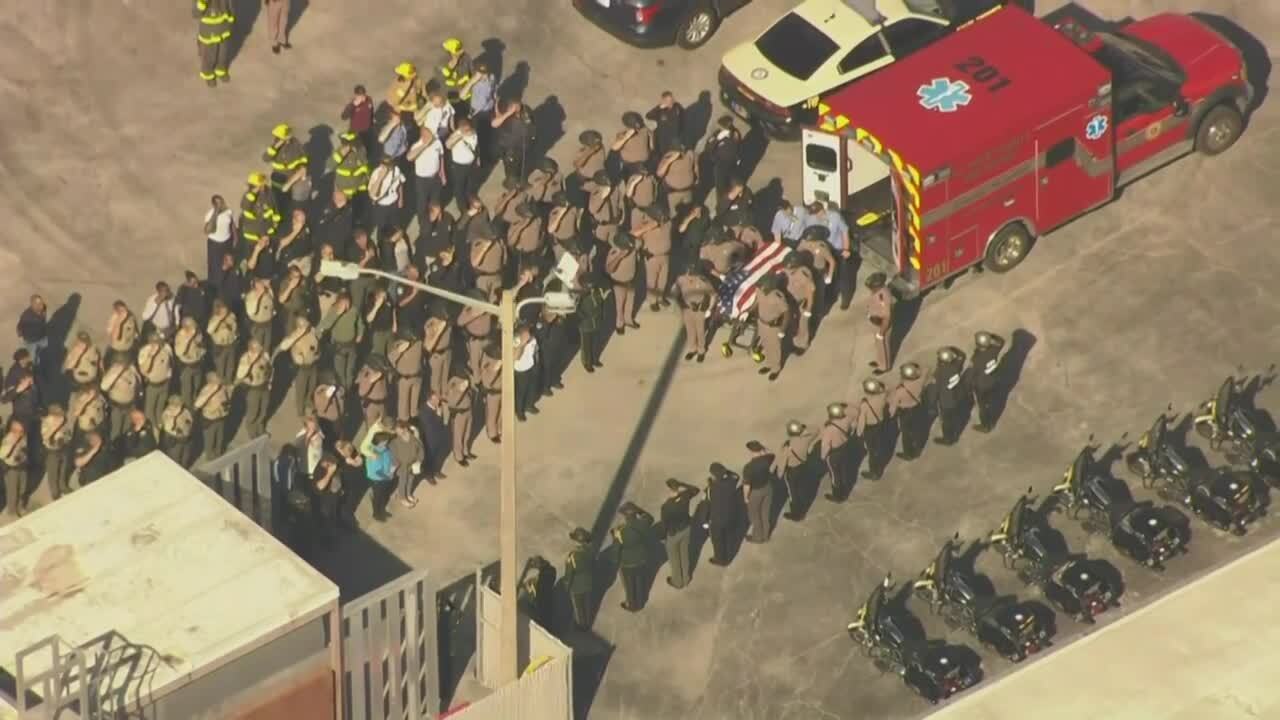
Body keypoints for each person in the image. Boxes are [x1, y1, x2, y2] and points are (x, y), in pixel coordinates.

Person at [807, 202, 855, 310]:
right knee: (826, 277)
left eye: (818, 212)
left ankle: (845, 299)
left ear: (823, 210)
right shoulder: (812, 220)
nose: (817, 215)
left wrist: (846, 249)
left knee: (843, 276)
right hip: (825, 251)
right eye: (814, 213)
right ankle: (828, 298)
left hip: (838, 250)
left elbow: (844, 231)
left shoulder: (835, 217)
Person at [318, 291, 364, 390]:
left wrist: (360, 334)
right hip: (339, 346)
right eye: (343, 303)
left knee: (350, 369)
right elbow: (324, 325)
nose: (346, 306)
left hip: (351, 344)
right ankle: (343, 389)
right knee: (340, 370)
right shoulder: (333, 311)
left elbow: (360, 323)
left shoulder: (354, 310)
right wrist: (337, 314)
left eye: (348, 303)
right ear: (339, 302)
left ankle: (349, 387)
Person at [673, 261, 715, 362]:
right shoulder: (681, 280)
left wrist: (709, 308)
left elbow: (713, 295)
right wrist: (680, 305)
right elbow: (675, 292)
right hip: (687, 308)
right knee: (690, 330)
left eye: (691, 273)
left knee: (700, 331)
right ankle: (692, 349)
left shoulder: (703, 281)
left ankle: (701, 351)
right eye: (688, 272)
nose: (689, 275)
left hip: (700, 309)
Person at [633, 205, 673, 311]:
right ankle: (652, 301)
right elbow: (633, 234)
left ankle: (660, 298)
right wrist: (649, 226)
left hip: (665, 256)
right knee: (652, 281)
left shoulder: (668, 223)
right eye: (661, 216)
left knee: (662, 280)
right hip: (652, 257)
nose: (663, 217)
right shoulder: (646, 225)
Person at [753, 274, 792, 382]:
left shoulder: (777, 296)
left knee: (774, 348)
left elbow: (786, 313)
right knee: (765, 345)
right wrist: (749, 311)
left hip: (773, 326)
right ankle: (769, 364)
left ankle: (775, 369)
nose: (760, 287)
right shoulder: (759, 290)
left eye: (762, 286)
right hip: (761, 323)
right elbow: (757, 301)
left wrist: (782, 330)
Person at [660, 479, 697, 589]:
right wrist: (682, 483)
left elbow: (664, 525)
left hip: (673, 534)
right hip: (686, 529)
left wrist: (663, 537)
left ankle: (677, 581)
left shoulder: (666, 506)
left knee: (674, 559)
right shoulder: (685, 496)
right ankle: (686, 578)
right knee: (684, 555)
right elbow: (695, 489)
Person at [773, 420, 813, 521]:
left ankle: (796, 514)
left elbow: (781, 465)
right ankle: (802, 508)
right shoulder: (806, 439)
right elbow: (816, 429)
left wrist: (779, 475)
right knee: (801, 488)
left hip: (792, 472)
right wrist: (803, 429)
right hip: (803, 467)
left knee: (793, 493)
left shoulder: (787, 447)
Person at [814, 402, 854, 501]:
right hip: (845, 449)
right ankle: (844, 490)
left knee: (835, 475)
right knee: (844, 470)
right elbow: (853, 418)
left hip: (834, 455)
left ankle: (838, 495)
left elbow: (825, 445)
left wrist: (823, 457)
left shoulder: (829, 429)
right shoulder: (847, 420)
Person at [613, 503, 650, 612]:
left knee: (630, 586)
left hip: (627, 563)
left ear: (625, 516)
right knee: (639, 581)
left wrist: (615, 537)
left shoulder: (621, 531)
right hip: (641, 558)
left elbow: (616, 548)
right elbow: (649, 517)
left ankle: (632, 605)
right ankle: (640, 601)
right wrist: (639, 510)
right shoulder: (643, 523)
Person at [889, 362, 927, 460]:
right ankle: (918, 448)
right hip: (917, 408)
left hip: (905, 412)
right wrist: (916, 368)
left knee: (906, 434)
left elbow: (893, 405)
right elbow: (926, 369)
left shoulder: (900, 391)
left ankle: (908, 453)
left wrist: (891, 415)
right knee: (916, 430)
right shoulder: (920, 381)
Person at [235, 340, 273, 438]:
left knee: (263, 409)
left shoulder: (264, 355)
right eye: (257, 348)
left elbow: (270, 368)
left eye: (260, 347)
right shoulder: (245, 359)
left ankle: (260, 428)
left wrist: (269, 382)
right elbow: (240, 375)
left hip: (264, 386)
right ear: (251, 349)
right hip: (253, 389)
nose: (260, 350)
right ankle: (252, 433)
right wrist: (251, 362)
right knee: (253, 412)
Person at [703, 462, 739, 566]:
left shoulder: (711, 489)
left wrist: (705, 520)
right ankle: (728, 554)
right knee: (728, 537)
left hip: (716, 520)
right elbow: (736, 476)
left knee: (717, 541)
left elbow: (707, 506)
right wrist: (725, 471)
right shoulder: (731, 482)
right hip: (730, 515)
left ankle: (720, 560)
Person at [408, 128, 446, 226]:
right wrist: (424, 145)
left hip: (435, 177)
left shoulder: (437, 142)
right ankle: (424, 225)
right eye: (428, 137)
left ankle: (437, 222)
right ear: (423, 137)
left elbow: (441, 157)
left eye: (431, 136)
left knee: (436, 201)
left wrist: (442, 173)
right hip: (422, 180)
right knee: (422, 203)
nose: (431, 138)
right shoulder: (416, 146)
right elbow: (409, 157)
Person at [782, 252, 818, 355]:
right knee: (793, 323)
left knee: (803, 324)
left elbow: (810, 292)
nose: (787, 270)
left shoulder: (804, 274)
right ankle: (794, 341)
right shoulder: (787, 270)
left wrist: (808, 309)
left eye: (790, 269)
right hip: (792, 301)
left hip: (802, 303)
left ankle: (803, 345)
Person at [491, 97, 534, 182]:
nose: (517, 109)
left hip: (523, 146)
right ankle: (510, 179)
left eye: (519, 107)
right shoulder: (506, 116)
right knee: (510, 166)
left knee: (520, 163)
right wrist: (509, 113)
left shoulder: (526, 112)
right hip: (509, 147)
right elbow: (494, 124)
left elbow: (531, 123)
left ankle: (518, 175)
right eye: (514, 108)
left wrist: (532, 136)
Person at [136, 330, 174, 428]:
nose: (160, 345)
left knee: (160, 407)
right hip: (152, 385)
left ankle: (159, 425)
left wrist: (168, 377)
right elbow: (144, 370)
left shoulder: (166, 348)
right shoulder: (144, 352)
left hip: (164, 384)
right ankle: (151, 429)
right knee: (150, 410)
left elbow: (170, 364)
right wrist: (151, 356)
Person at [971, 331, 1007, 432]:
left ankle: (986, 425)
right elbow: (1001, 341)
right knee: (990, 401)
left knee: (983, 407)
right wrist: (991, 336)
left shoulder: (977, 359)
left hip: (982, 386)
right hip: (993, 381)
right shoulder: (994, 350)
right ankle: (990, 418)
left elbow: (974, 374)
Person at [933, 346, 968, 446]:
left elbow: (936, 389)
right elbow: (962, 356)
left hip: (946, 401)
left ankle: (948, 439)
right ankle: (953, 433)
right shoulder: (956, 366)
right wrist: (953, 349)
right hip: (956, 397)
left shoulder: (940, 372)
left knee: (946, 422)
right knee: (953, 418)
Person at [605, 232, 639, 334]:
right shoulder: (613, 253)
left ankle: (628, 319)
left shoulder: (633, 246)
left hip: (631, 279)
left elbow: (639, 241)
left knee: (630, 301)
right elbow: (609, 270)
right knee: (620, 305)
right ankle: (619, 325)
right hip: (619, 283)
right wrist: (619, 257)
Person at [703, 116, 741, 207]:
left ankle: (731, 203)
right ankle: (721, 205)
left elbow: (736, 147)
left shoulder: (735, 134)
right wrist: (717, 139)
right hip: (720, 165)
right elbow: (708, 148)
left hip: (731, 164)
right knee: (720, 187)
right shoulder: (717, 135)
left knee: (731, 185)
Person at [856, 378, 889, 481]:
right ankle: (878, 468)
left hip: (870, 429)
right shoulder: (882, 397)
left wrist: (859, 433)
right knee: (878, 447)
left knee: (872, 451)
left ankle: (874, 472)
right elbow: (885, 389)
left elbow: (861, 421)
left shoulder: (865, 405)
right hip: (880, 425)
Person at [195, 0, 234, 87]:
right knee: (210, 55)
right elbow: (195, 13)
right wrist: (202, 3)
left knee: (223, 54)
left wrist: (231, 17)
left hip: (223, 28)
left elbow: (229, 5)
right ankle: (208, 74)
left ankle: (220, 70)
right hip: (209, 32)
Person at [742, 440, 775, 544]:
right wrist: (763, 450)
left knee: (755, 516)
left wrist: (746, 497)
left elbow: (746, 486)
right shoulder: (768, 459)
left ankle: (757, 538)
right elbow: (771, 453)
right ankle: (766, 536)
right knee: (765, 514)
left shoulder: (748, 467)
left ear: (751, 451)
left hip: (756, 492)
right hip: (768, 488)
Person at [100, 358, 140, 442]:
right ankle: (114, 447)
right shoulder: (112, 372)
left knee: (127, 429)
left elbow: (138, 383)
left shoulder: (132, 370)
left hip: (130, 405)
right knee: (116, 430)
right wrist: (118, 372)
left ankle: (125, 447)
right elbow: (104, 386)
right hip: (116, 406)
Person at [456, 293, 495, 379]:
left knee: (488, 364)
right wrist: (475, 313)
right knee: (475, 365)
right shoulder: (467, 309)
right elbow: (460, 322)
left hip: (488, 338)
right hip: (475, 340)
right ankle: (477, 382)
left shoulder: (485, 303)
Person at [195, 371, 233, 459]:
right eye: (216, 379)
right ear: (210, 381)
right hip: (210, 419)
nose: (219, 380)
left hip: (221, 417)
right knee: (210, 439)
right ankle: (210, 457)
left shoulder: (223, 388)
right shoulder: (206, 390)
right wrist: (212, 392)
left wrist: (226, 404)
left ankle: (218, 453)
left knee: (219, 437)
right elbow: (198, 404)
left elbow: (228, 397)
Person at [41, 404, 75, 499]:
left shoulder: (63, 420)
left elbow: (68, 432)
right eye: (57, 414)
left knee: (63, 468)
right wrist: (55, 429)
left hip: (63, 448)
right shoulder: (47, 422)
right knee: (53, 472)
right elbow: (45, 437)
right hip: (51, 450)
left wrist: (65, 438)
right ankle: (54, 492)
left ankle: (62, 485)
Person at [564, 527, 595, 630]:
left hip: (577, 586)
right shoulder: (590, 551)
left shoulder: (573, 556)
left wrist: (567, 585)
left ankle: (582, 626)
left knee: (579, 607)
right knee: (587, 604)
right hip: (589, 582)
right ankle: (588, 622)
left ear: (577, 542)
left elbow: (569, 574)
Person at [575, 274, 608, 373]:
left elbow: (601, 304)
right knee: (586, 346)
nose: (591, 286)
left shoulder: (597, 291)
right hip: (586, 324)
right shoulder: (581, 295)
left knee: (595, 343)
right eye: (588, 284)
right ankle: (587, 363)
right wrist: (583, 317)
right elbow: (577, 310)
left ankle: (595, 359)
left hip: (596, 322)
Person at [446, 119, 480, 213]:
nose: (467, 132)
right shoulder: (456, 135)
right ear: (460, 129)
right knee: (459, 188)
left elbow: (476, 147)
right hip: (459, 167)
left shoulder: (473, 132)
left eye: (468, 129)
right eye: (465, 130)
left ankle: (470, 202)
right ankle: (463, 208)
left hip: (471, 165)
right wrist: (460, 135)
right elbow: (448, 145)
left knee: (470, 185)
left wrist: (477, 158)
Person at [368, 156, 407, 237]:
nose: (388, 166)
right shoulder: (376, 173)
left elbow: (400, 183)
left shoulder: (396, 170)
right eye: (385, 164)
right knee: (382, 228)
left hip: (394, 202)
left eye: (389, 164)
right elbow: (373, 194)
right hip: (381, 206)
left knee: (395, 225)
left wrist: (401, 198)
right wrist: (380, 178)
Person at [172, 317, 207, 408]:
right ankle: (188, 407)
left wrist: (200, 353)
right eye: (192, 327)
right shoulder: (180, 336)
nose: (194, 329)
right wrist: (188, 340)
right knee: (187, 390)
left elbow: (202, 346)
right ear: (185, 328)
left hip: (197, 363)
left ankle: (195, 404)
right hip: (186, 366)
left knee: (197, 385)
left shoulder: (198, 333)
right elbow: (179, 352)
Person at [796, 226, 837, 302]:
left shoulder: (822, 247)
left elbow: (832, 261)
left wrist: (829, 276)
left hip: (820, 271)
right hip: (809, 269)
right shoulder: (804, 242)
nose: (806, 242)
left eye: (809, 240)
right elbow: (798, 252)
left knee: (819, 291)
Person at [656, 140, 698, 213]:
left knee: (688, 211)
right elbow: (659, 173)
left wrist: (696, 180)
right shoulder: (667, 157)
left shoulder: (690, 154)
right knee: (674, 213)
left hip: (687, 191)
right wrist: (670, 160)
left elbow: (696, 168)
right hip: (673, 193)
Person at [442, 375, 475, 467]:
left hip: (468, 411)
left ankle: (465, 452)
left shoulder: (466, 377)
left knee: (467, 434)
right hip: (459, 414)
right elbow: (452, 402)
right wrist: (461, 390)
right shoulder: (453, 382)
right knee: (459, 435)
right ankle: (459, 456)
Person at [363, 432, 396, 522]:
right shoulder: (374, 454)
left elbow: (389, 458)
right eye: (385, 442)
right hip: (377, 480)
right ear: (379, 443)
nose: (387, 443)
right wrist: (389, 477)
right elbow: (377, 471)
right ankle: (376, 514)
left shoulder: (385, 449)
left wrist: (393, 466)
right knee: (378, 497)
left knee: (384, 495)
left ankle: (382, 510)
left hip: (386, 477)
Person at [417, 392, 449, 484]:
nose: (438, 401)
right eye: (436, 399)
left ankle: (436, 471)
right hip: (429, 438)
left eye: (438, 399)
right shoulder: (424, 411)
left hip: (437, 436)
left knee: (436, 456)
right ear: (430, 400)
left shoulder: (436, 407)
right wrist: (439, 415)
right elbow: (431, 425)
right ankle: (428, 475)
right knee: (429, 457)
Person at [391, 419, 424, 508]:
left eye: (399, 430)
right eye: (396, 431)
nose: (398, 433)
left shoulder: (414, 439)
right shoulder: (394, 443)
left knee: (410, 480)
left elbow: (420, 450)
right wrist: (393, 468)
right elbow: (394, 458)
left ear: (405, 428)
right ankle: (403, 498)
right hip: (402, 467)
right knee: (403, 482)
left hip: (412, 465)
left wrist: (419, 461)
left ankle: (408, 494)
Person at [866, 272, 895, 374]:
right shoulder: (876, 292)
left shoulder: (884, 297)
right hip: (874, 321)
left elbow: (887, 317)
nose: (871, 290)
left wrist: (882, 332)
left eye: (872, 287)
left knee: (883, 345)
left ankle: (885, 366)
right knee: (878, 345)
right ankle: (879, 361)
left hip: (882, 324)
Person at [328, 131, 371, 200]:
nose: (349, 145)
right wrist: (342, 153)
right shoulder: (339, 152)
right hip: (343, 193)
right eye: (346, 143)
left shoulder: (361, 150)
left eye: (352, 142)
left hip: (359, 191)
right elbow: (329, 165)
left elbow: (366, 167)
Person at [204, 195, 235, 285]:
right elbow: (208, 230)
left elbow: (232, 225)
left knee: (229, 263)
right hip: (214, 244)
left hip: (227, 241)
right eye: (217, 203)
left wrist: (235, 238)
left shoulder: (228, 211)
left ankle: (228, 282)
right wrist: (216, 213)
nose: (220, 205)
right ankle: (216, 286)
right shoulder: (210, 214)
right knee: (215, 267)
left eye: (221, 202)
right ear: (214, 205)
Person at [311, 453, 343, 541]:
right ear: (326, 463)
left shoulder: (334, 466)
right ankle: (326, 541)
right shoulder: (319, 471)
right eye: (332, 465)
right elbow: (320, 487)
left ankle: (331, 535)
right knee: (326, 521)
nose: (334, 467)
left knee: (332, 519)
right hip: (325, 500)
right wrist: (329, 473)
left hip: (334, 497)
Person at [3, 350, 40, 426]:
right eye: (27, 357)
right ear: (22, 359)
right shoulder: (13, 372)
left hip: (32, 409)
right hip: (21, 412)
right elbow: (5, 398)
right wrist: (19, 388)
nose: (29, 359)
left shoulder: (28, 368)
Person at [1, 418, 29, 517]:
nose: (20, 433)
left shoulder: (23, 438)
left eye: (22, 431)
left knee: (23, 488)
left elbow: (25, 451)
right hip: (11, 469)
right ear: (12, 430)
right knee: (12, 491)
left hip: (21, 467)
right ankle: (11, 511)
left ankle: (21, 507)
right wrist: (13, 454)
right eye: (18, 431)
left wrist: (22, 456)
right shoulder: (7, 440)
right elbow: (2, 454)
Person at [586, 171, 623, 245]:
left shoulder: (615, 189)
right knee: (601, 247)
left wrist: (622, 219)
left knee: (615, 245)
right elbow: (592, 209)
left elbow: (621, 205)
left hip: (614, 224)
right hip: (601, 226)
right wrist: (602, 197)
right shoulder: (595, 192)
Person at [160, 395, 196, 468]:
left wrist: (188, 423)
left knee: (185, 457)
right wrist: (174, 416)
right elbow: (168, 427)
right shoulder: (167, 413)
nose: (179, 406)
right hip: (175, 439)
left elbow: (190, 419)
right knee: (175, 458)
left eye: (179, 404)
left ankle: (184, 468)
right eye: (176, 404)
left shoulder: (185, 410)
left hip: (186, 437)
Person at [356, 355, 391, 429]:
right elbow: (361, 393)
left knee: (384, 423)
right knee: (372, 426)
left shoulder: (383, 374)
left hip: (383, 403)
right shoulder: (365, 374)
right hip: (371, 405)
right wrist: (371, 380)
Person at [476, 346, 502, 443]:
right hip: (493, 393)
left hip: (503, 390)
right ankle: (492, 433)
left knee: (501, 412)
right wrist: (495, 369)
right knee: (492, 414)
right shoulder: (488, 362)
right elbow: (487, 382)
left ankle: (500, 428)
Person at [513, 326, 539, 421]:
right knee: (521, 393)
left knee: (531, 389)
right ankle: (519, 412)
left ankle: (529, 405)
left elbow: (535, 350)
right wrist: (523, 343)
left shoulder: (532, 338)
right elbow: (516, 357)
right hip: (520, 370)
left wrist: (536, 363)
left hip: (531, 366)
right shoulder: (516, 341)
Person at [646, 91, 684, 156]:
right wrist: (658, 108)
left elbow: (684, 118)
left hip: (675, 138)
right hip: (663, 139)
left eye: (671, 99)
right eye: (667, 100)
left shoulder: (677, 107)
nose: (670, 102)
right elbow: (648, 116)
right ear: (663, 100)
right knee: (664, 156)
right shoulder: (659, 110)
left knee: (675, 156)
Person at [243, 276, 277, 350]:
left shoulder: (267, 292)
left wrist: (269, 287)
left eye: (262, 283)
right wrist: (258, 296)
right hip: (257, 327)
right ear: (255, 285)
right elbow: (251, 311)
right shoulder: (251, 296)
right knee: (257, 348)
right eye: (259, 283)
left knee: (267, 347)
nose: (262, 285)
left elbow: (272, 302)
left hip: (268, 324)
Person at [17, 294, 48, 370]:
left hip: (42, 336)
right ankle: (34, 368)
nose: (40, 305)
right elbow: (20, 326)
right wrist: (21, 334)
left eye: (41, 303)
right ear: (32, 305)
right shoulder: (26, 316)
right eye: (37, 304)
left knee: (46, 347)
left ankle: (43, 358)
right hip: (31, 340)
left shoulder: (43, 308)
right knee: (33, 358)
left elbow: (43, 319)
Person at [106, 300, 140, 367]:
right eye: (118, 310)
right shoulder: (115, 316)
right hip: (115, 344)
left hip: (123, 346)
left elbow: (132, 332)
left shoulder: (130, 319)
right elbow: (109, 328)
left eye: (122, 309)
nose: (121, 311)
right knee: (110, 359)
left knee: (123, 361)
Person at [311, 373, 345, 441]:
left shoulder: (330, 388)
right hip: (328, 419)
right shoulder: (320, 391)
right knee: (333, 435)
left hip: (334, 417)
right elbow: (324, 402)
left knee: (338, 433)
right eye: (332, 379)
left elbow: (342, 392)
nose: (333, 381)